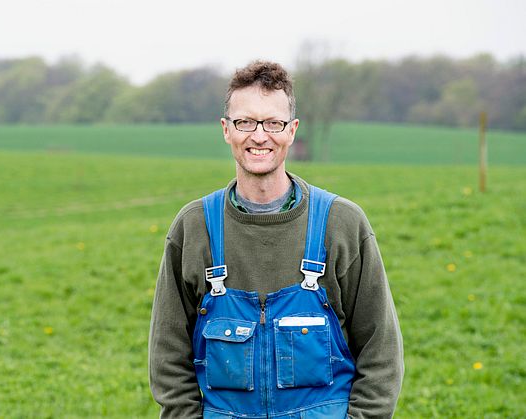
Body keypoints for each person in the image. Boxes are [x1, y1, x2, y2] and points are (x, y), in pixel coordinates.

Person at [148, 60, 404, 419]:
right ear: (226, 129)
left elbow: (382, 351)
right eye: (245, 122)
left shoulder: (343, 224)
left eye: (273, 122)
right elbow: (168, 358)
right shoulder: (193, 228)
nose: (259, 135)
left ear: (292, 130)